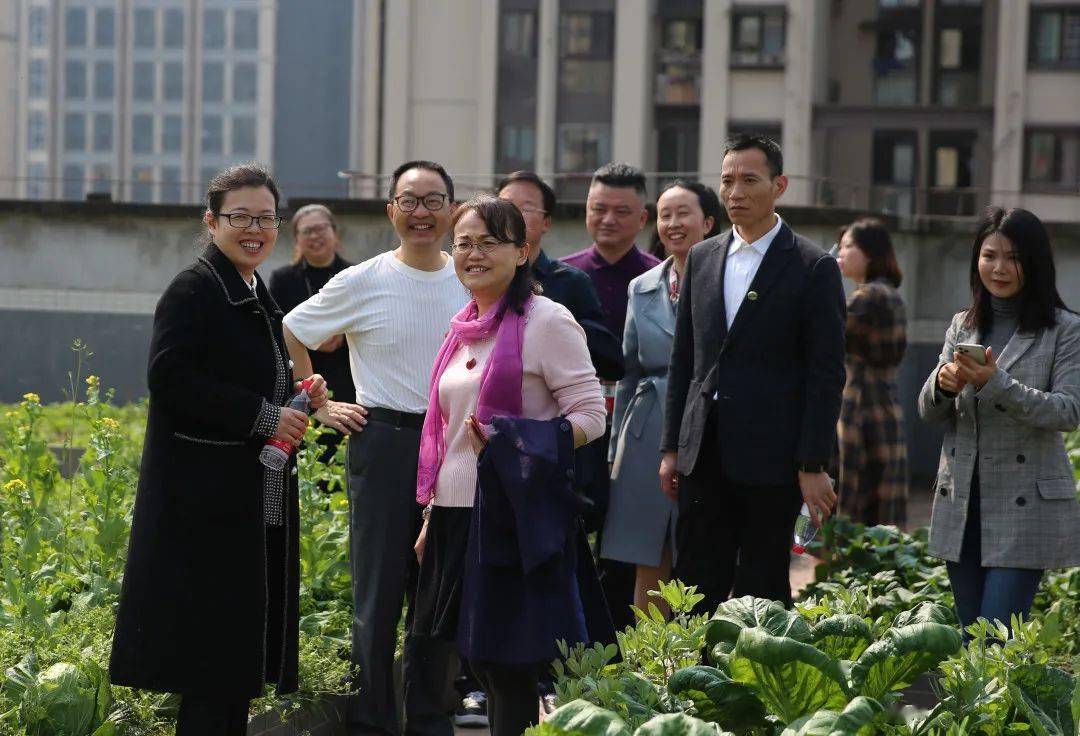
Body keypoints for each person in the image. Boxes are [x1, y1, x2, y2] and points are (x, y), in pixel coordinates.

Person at [110, 163, 329, 735]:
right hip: (204, 506)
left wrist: (298, 394)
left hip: (243, 499)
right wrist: (265, 415)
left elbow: (245, 374)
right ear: (212, 222)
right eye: (240, 218)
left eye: (265, 218)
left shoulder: (254, 290)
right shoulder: (195, 289)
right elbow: (171, 378)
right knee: (211, 666)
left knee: (232, 666)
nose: (254, 229)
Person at [411, 195, 610, 736]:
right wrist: (431, 515)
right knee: (451, 658)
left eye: (489, 242)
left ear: (522, 252)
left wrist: (512, 438)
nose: (473, 254)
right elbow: (449, 435)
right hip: (455, 511)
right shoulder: (462, 327)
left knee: (509, 666)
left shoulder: (547, 320)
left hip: (510, 514)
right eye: (464, 243)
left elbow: (592, 416)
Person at [283, 161, 468, 736]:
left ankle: (431, 719)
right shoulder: (363, 278)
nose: (421, 213)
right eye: (409, 201)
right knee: (379, 593)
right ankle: (371, 722)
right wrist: (320, 401)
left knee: (439, 593)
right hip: (383, 441)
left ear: (451, 211)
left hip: (457, 446)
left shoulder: (470, 276)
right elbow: (290, 327)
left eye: (433, 201)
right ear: (390, 211)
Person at [660, 134, 847, 613]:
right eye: (727, 181)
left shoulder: (813, 266)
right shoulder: (701, 258)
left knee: (762, 585)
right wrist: (671, 449)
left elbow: (825, 374)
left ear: (779, 185)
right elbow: (685, 361)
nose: (735, 192)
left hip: (773, 458)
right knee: (695, 581)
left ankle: (757, 685)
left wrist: (812, 464)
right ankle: (688, 686)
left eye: (749, 180)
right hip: (703, 454)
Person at [917, 207, 1080, 632]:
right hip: (962, 505)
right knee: (973, 642)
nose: (1000, 268)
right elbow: (926, 410)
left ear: (1035, 263)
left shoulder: (1064, 329)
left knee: (997, 645)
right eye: (990, 255)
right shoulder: (963, 325)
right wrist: (944, 383)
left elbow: (1068, 410)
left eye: (1014, 257)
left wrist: (996, 383)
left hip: (1023, 509)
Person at [602, 180, 721, 614]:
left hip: (707, 421)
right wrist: (616, 448)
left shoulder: (727, 280)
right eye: (666, 214)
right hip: (646, 427)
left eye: (683, 213)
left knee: (704, 550)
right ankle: (646, 668)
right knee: (646, 555)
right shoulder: (643, 286)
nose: (673, 223)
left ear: (708, 223)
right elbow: (630, 372)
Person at [562, 162, 660, 630]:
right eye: (598, 208)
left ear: (644, 219)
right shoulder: (562, 278)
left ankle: (620, 645)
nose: (608, 219)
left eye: (622, 211)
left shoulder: (661, 280)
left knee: (628, 544)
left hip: (638, 428)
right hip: (576, 426)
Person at [269, 205, 357, 482]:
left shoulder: (355, 275)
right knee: (308, 472)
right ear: (297, 239)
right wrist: (311, 340)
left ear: (335, 233)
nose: (315, 236)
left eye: (321, 229)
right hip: (301, 389)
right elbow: (275, 333)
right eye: (307, 231)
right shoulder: (283, 279)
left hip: (348, 385)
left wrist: (344, 334)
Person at [835, 218, 908, 526]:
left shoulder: (868, 297)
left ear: (870, 253)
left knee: (850, 504)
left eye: (849, 246)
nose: (840, 252)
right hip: (882, 405)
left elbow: (824, 336)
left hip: (861, 406)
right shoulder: (887, 293)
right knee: (878, 513)